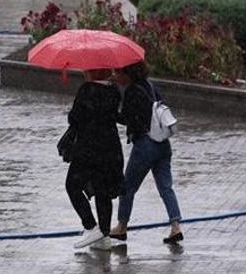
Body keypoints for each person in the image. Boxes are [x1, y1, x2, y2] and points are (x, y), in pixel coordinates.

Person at [111, 62, 183, 244]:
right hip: (163, 144)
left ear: (128, 74)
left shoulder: (132, 92)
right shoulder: (151, 86)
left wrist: (111, 112)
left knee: (127, 187)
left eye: (117, 73)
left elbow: (127, 119)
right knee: (166, 187)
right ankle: (176, 226)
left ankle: (121, 226)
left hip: (145, 145)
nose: (115, 76)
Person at [66, 69, 124, 250]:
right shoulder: (113, 90)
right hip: (110, 147)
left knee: (72, 185)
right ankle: (104, 235)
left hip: (88, 148)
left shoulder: (87, 90)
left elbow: (74, 118)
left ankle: (91, 226)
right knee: (102, 190)